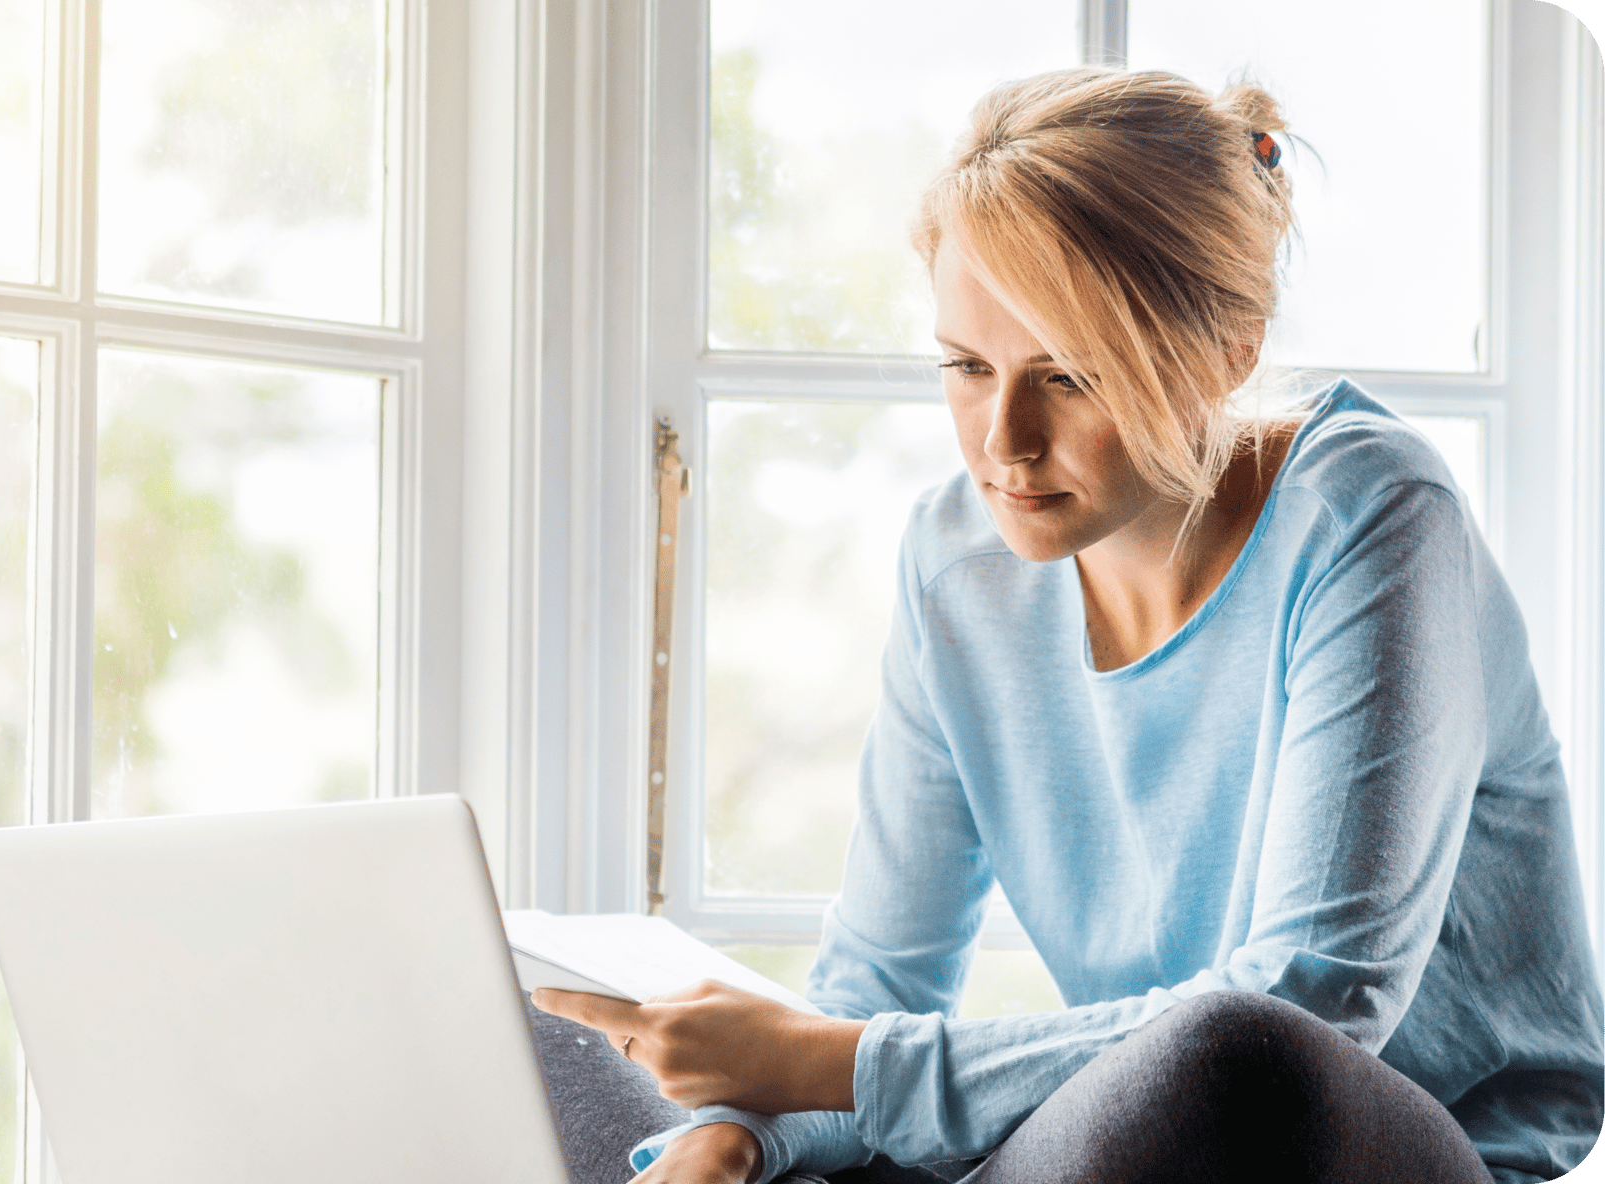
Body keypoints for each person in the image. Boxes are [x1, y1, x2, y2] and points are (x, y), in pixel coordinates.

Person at [529, 66, 1605, 1184]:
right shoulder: (955, 566)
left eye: (1071, 375)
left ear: (1228, 348)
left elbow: (1315, 1008)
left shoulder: (1371, 516)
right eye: (964, 366)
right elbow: (877, 992)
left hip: (1361, 1138)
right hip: (1137, 1133)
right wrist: (742, 1130)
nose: (1004, 438)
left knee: (1227, 1050)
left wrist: (837, 1063)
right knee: (562, 1041)